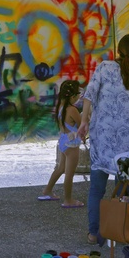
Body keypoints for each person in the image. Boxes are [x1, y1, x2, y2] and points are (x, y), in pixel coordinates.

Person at [77, 34, 129, 245]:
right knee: (124, 188)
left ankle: (94, 234)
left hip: (103, 138)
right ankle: (117, 232)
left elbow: (89, 95)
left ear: (118, 50)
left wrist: (84, 122)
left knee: (96, 189)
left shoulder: (103, 67)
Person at [39, 79, 84, 208]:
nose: (78, 98)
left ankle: (47, 191)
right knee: (69, 174)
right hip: (71, 145)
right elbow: (82, 126)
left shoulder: (61, 106)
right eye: (77, 95)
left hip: (63, 141)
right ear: (73, 96)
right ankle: (68, 200)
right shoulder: (72, 110)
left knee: (61, 168)